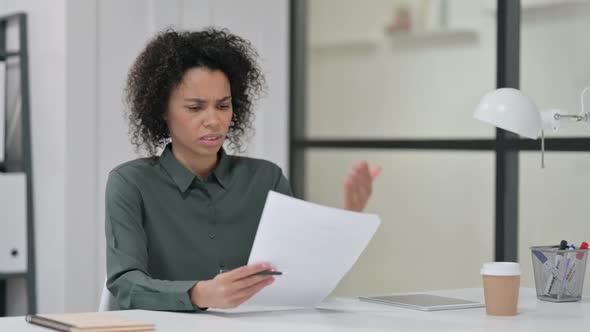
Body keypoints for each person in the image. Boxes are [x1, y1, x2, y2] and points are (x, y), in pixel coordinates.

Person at [105, 28, 381, 311]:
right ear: (162, 110)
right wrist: (198, 294)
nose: (213, 120)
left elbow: (300, 272)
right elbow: (125, 283)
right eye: (195, 108)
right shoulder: (131, 183)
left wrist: (348, 216)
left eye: (223, 106)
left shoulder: (265, 178)